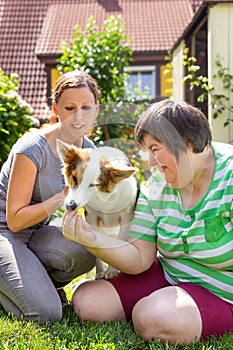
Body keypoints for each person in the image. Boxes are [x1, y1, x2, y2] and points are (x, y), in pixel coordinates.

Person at [62, 99, 233, 346]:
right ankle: (162, 306)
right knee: (87, 302)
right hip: (170, 276)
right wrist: (91, 239)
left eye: (155, 148)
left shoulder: (228, 175)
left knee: (154, 317)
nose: (151, 162)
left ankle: (165, 310)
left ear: (184, 140)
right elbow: (140, 257)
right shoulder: (158, 182)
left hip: (221, 291)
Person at [0, 70, 100, 323]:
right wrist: (63, 196)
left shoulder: (89, 151)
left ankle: (29, 281)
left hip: (35, 234)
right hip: (5, 231)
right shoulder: (32, 148)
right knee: (47, 313)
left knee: (84, 252)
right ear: (56, 108)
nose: (79, 116)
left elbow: (95, 212)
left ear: (96, 109)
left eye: (86, 107)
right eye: (70, 107)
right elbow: (14, 220)